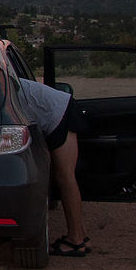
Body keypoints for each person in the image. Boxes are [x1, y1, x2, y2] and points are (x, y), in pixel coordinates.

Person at [18, 79, 91, 256]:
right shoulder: (1, 75)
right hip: (59, 108)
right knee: (66, 177)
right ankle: (80, 235)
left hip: (60, 112)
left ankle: (75, 241)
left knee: (65, 177)